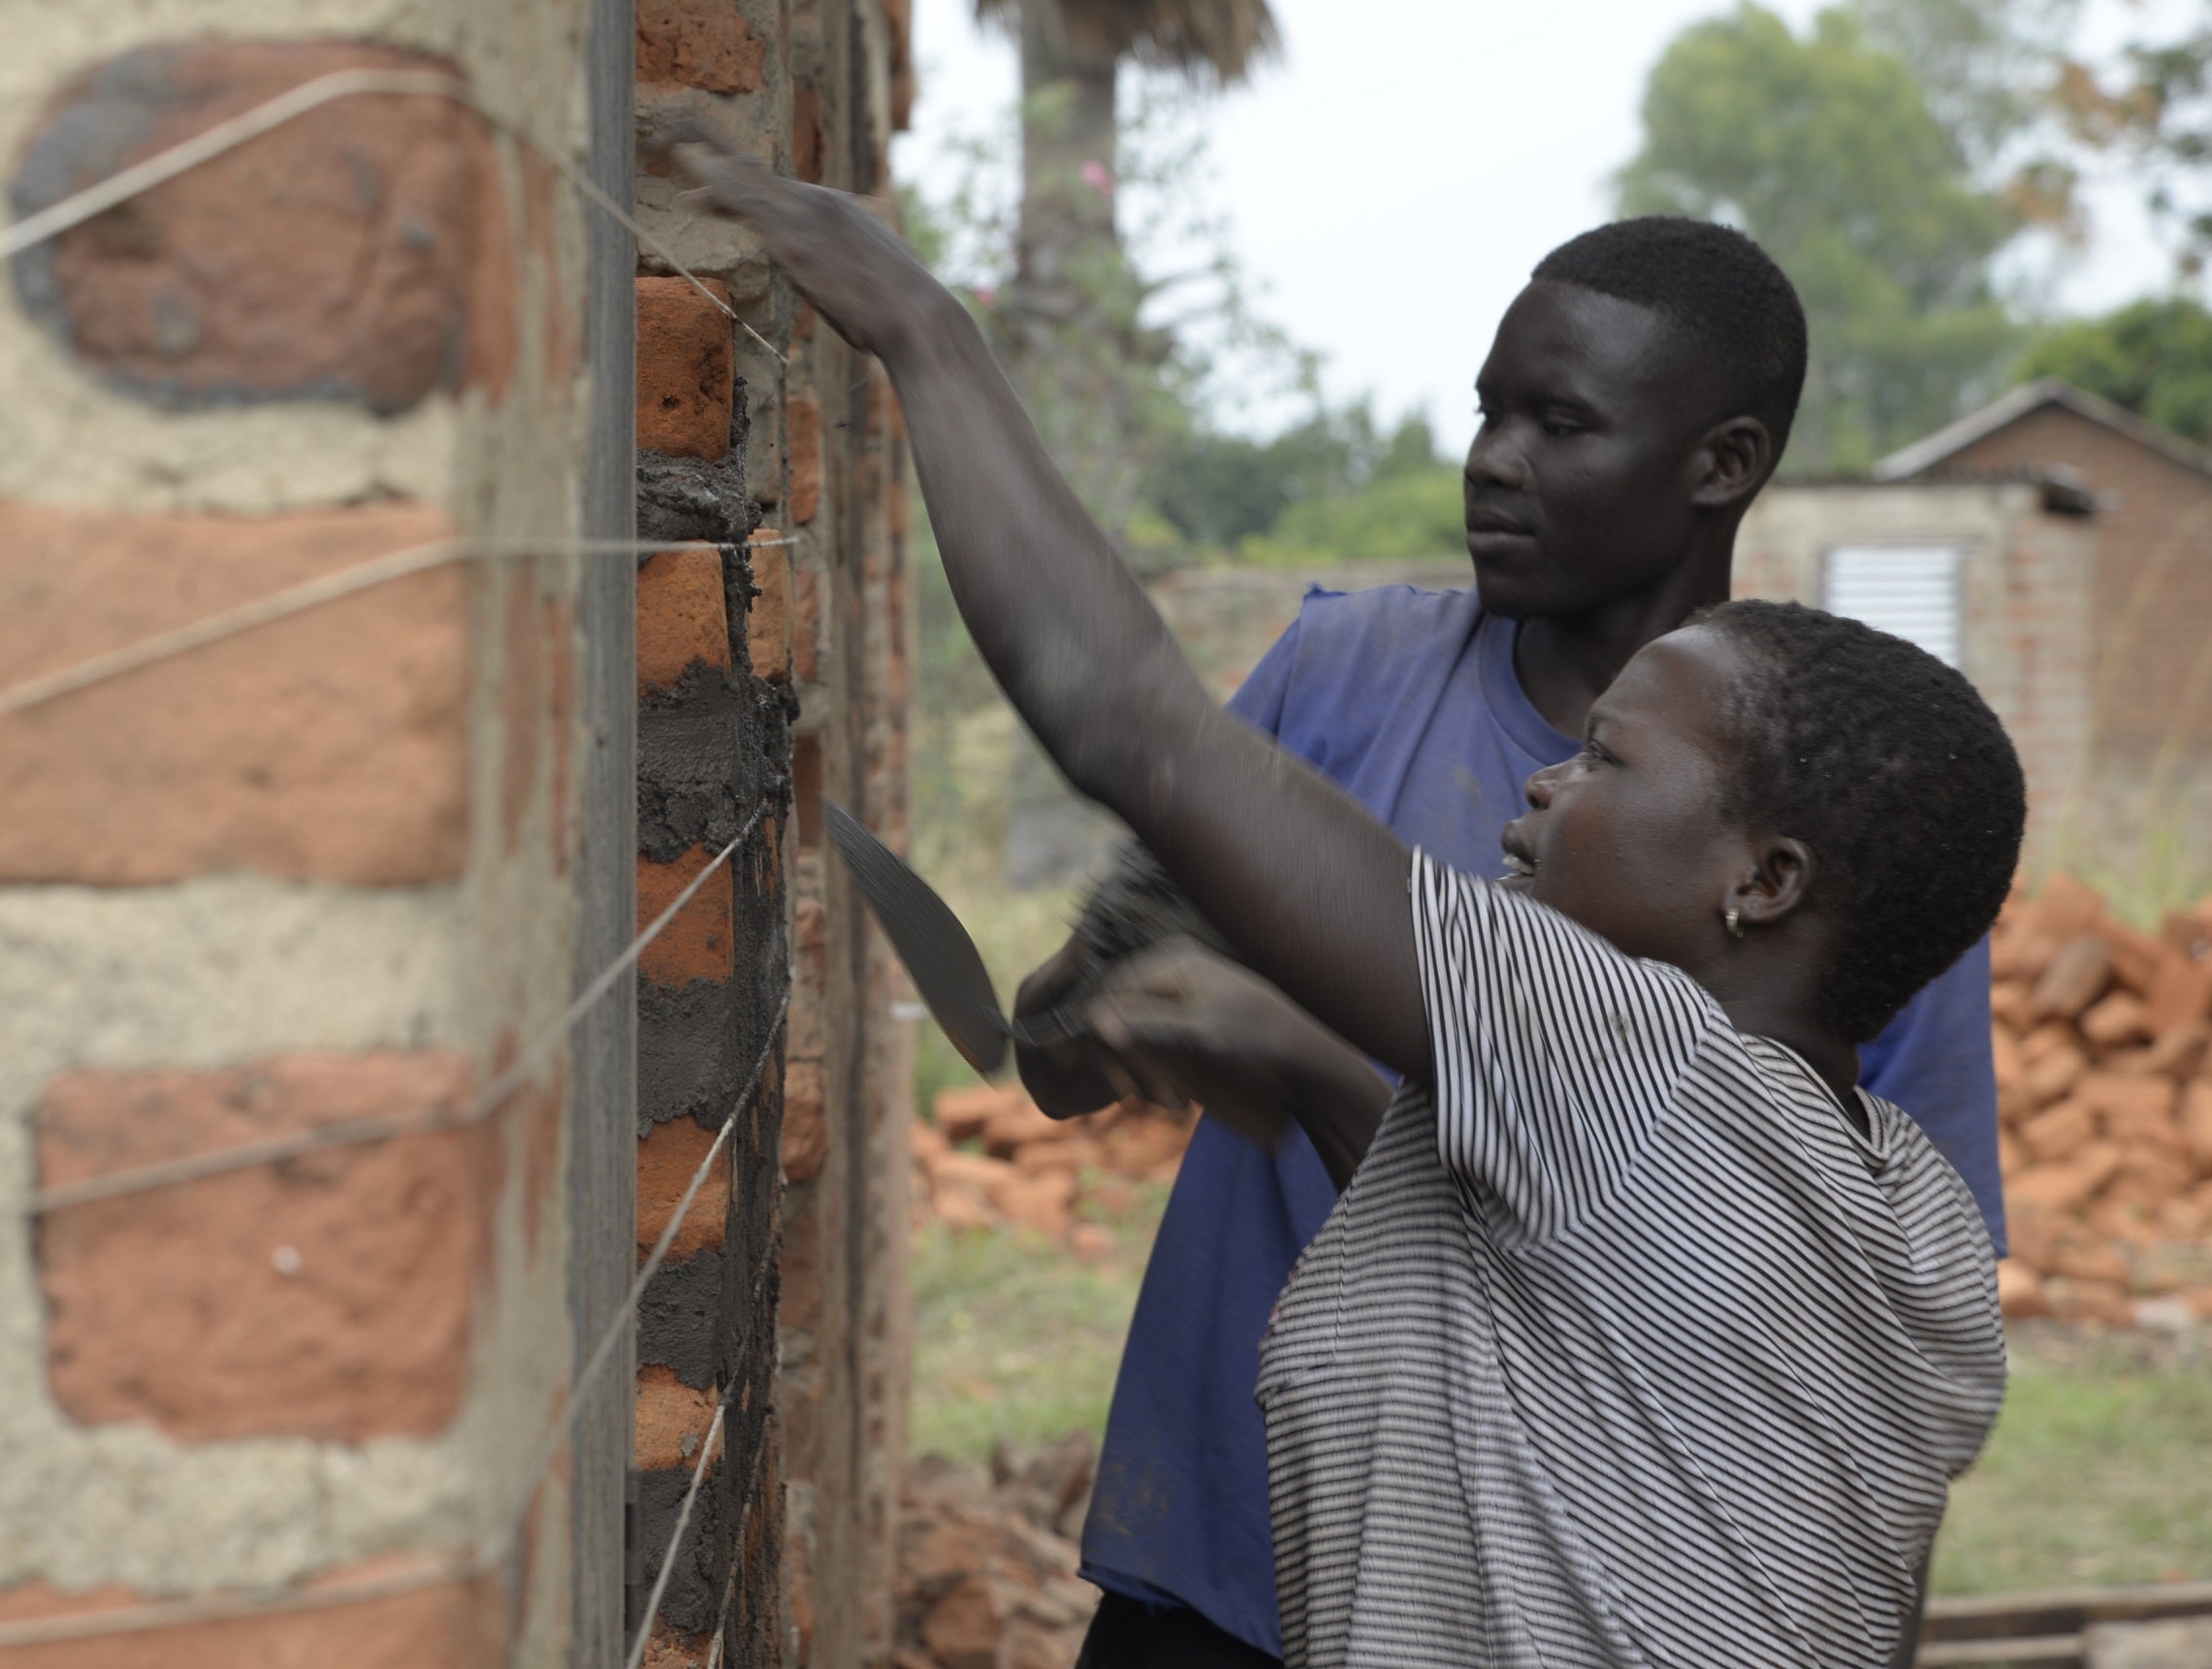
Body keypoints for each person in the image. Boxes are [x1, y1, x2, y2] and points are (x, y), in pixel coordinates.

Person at [668, 137, 2015, 1667]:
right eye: (1489, 414)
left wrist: (925, 327)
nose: (1542, 786)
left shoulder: (1627, 1056)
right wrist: (1303, 1064)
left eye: (1609, 767)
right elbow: (1584, 1262)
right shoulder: (1880, 1205)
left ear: (1768, 885)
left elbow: (1131, 718)